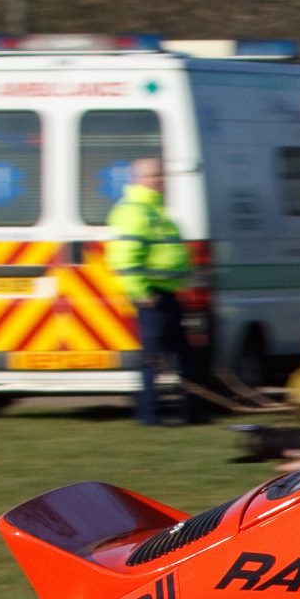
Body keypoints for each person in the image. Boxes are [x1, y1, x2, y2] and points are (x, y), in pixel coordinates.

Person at [107, 155, 199, 425]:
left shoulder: (155, 210)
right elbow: (124, 259)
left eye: (161, 175)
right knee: (152, 358)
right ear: (139, 179)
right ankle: (149, 415)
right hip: (152, 295)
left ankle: (192, 412)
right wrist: (142, 292)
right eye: (154, 176)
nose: (161, 180)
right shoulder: (134, 211)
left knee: (182, 356)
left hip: (168, 293)